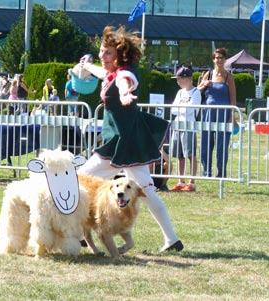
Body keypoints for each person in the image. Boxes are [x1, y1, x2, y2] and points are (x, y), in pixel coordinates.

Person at [79, 25, 183, 253]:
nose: (102, 57)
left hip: (122, 144)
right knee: (146, 191)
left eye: (107, 53)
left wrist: (126, 94)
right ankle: (172, 239)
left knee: (80, 180)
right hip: (127, 143)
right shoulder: (112, 72)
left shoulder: (125, 74)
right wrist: (87, 66)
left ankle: (77, 232)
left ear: (120, 55)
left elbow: (123, 82)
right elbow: (104, 74)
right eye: (101, 52)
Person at [197, 47, 237, 178]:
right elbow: (196, 92)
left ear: (225, 60)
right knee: (206, 143)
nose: (219, 60)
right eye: (216, 57)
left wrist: (232, 116)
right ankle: (206, 172)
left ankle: (221, 173)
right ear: (213, 59)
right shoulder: (207, 74)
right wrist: (204, 84)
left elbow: (233, 98)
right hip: (208, 113)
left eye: (221, 58)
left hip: (224, 114)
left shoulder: (228, 77)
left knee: (222, 145)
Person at [169, 66, 201, 192]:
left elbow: (191, 109)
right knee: (179, 155)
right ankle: (180, 181)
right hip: (178, 125)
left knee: (190, 154)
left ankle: (191, 182)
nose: (178, 82)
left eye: (180, 79)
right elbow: (173, 109)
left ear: (188, 79)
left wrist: (181, 109)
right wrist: (182, 109)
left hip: (189, 126)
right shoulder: (180, 92)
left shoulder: (196, 92)